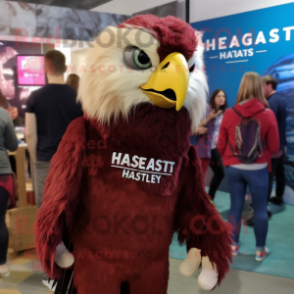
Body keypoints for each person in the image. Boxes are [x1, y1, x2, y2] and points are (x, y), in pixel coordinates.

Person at [25, 50, 83, 290]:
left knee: (47, 215)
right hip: (74, 162)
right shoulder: (78, 96)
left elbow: (30, 134)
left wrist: (33, 159)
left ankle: (50, 268)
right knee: (73, 211)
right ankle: (73, 262)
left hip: (46, 160)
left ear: (47, 67)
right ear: (66, 66)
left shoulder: (35, 97)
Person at [218, 72, 279, 261]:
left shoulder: (229, 113)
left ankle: (233, 246)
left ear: (242, 87)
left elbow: (220, 144)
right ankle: (260, 251)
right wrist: (260, 158)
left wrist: (230, 160)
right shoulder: (268, 114)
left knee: (235, 206)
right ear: (260, 88)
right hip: (258, 169)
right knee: (260, 208)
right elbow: (275, 147)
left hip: (234, 168)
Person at [0, 91, 18, 278]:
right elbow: (13, 146)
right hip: (2, 174)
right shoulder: (3, 114)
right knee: (0, 220)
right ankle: (2, 265)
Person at [262, 75, 286, 205]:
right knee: (279, 171)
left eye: (262, 85)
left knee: (268, 176)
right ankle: (279, 198)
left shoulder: (272, 102)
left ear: (269, 85)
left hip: (272, 147)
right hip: (281, 145)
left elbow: (266, 123)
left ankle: (262, 207)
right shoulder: (279, 99)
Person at [206, 89, 227, 201]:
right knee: (219, 173)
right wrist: (210, 117)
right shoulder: (207, 110)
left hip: (217, 147)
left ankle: (209, 199)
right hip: (207, 147)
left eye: (223, 96)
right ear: (214, 98)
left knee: (219, 174)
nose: (221, 98)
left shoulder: (224, 113)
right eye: (219, 96)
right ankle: (209, 199)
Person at [190, 105, 215, 177]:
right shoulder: (187, 107)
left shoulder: (207, 107)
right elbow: (181, 128)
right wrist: (195, 131)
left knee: (198, 177)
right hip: (187, 148)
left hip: (203, 149)